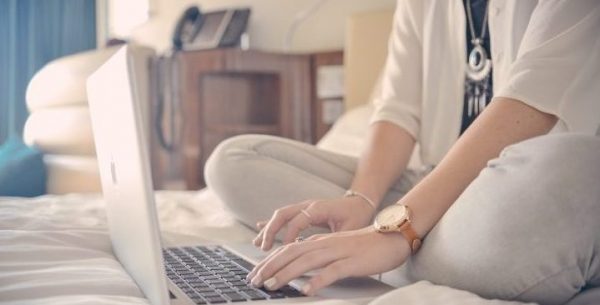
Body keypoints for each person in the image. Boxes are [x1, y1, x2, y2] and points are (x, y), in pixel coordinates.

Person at [205, 1, 600, 304]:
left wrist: (397, 232)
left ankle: (387, 248)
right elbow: (398, 109)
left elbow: (530, 100)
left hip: (523, 189)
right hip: (433, 183)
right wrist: (362, 199)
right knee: (234, 161)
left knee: (571, 166)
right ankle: (396, 247)